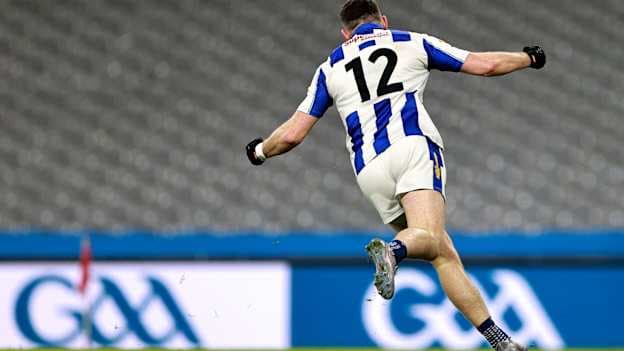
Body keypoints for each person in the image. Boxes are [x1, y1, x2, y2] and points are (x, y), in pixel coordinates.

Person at [245, 0, 545, 350]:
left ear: (345, 33)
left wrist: (259, 151)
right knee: (428, 239)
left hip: (369, 171)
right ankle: (393, 251)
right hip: (411, 148)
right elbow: (485, 65)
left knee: (441, 251)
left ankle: (501, 341)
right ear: (383, 21)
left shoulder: (330, 67)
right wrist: (530, 57)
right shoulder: (410, 41)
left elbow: (293, 134)